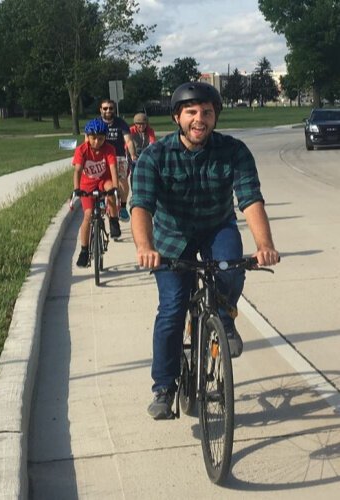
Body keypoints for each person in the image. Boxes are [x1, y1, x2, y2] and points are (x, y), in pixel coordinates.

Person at [130, 82, 280, 420]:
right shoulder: (155, 156)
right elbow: (141, 205)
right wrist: (145, 247)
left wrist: (265, 245)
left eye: (207, 113)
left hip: (216, 227)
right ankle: (164, 388)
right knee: (171, 310)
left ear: (215, 117)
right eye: (192, 112)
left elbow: (250, 199)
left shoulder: (234, 151)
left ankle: (224, 320)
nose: (200, 119)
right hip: (171, 238)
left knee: (230, 270)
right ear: (177, 117)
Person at [72, 118, 120, 267]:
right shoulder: (82, 150)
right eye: (93, 138)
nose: (97, 142)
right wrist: (76, 189)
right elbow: (78, 170)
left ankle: (113, 220)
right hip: (87, 184)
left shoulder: (109, 149)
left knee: (110, 189)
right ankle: (84, 251)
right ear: (87, 137)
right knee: (87, 215)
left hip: (103, 180)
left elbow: (113, 168)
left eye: (101, 138)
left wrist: (115, 187)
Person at [99, 98, 136, 224]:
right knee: (99, 179)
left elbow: (129, 141)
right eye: (105, 108)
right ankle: (101, 200)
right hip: (102, 157)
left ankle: (124, 206)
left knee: (123, 180)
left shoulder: (121, 123)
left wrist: (133, 155)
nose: (108, 110)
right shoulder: (97, 123)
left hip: (119, 156)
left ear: (114, 109)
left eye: (110, 108)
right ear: (100, 110)